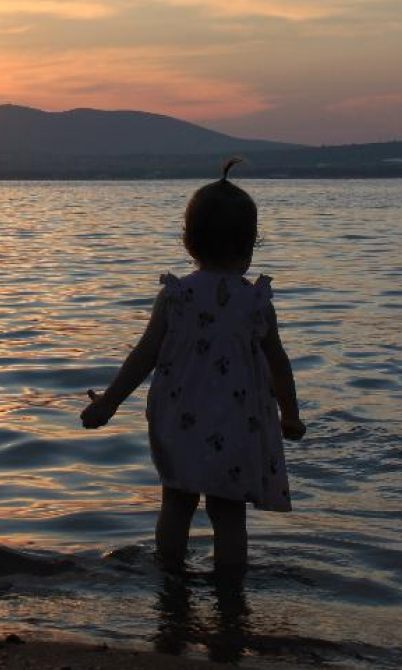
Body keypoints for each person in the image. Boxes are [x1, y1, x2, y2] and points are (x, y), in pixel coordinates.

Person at [81, 158, 306, 575]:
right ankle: (230, 592)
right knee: (228, 513)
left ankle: (170, 579)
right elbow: (280, 362)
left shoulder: (177, 297)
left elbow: (143, 356)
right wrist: (289, 415)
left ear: (188, 242)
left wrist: (108, 404)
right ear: (251, 243)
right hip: (239, 422)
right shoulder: (254, 302)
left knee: (177, 502)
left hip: (180, 419)